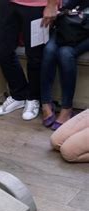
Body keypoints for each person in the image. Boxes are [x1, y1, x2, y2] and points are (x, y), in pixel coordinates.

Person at [0, 0, 59, 120]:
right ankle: (19, 94)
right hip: (8, 3)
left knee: (35, 56)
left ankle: (33, 97)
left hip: (38, 5)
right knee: (2, 50)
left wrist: (52, 4)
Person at [41, 0, 89, 130]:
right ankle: (46, 103)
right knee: (49, 50)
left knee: (65, 53)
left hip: (85, 26)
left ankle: (67, 108)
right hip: (70, 22)